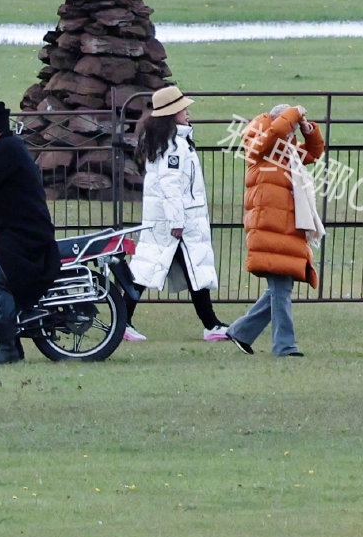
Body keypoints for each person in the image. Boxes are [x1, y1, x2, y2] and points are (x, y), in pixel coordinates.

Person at [126, 86, 231, 343]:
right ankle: (210, 325)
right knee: (180, 268)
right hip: (176, 221)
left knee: (166, 268)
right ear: (172, 113)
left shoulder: (170, 142)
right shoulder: (174, 146)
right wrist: (177, 221)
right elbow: (170, 185)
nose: (188, 112)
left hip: (172, 219)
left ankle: (210, 324)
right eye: (183, 108)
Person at [225, 103, 325, 357]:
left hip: (285, 232)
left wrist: (307, 128)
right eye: (290, 127)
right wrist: (294, 112)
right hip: (269, 232)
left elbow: (314, 153)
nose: (291, 133)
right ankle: (284, 346)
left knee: (279, 288)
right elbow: (272, 136)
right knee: (280, 290)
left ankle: (241, 331)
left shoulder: (286, 154)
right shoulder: (259, 147)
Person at [0, 102, 60, 364]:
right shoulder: (7, 148)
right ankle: (11, 344)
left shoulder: (4, 151)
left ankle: (8, 349)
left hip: (24, 233)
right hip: (23, 228)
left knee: (1, 281)